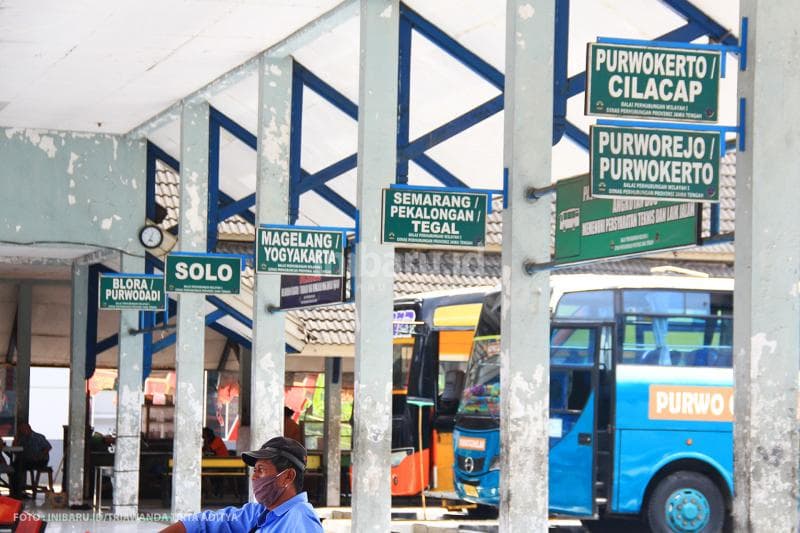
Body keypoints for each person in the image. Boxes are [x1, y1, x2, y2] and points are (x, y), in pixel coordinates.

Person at [159, 436, 322, 533]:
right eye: (254, 470)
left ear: (287, 476)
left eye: (261, 469)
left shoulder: (300, 521)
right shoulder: (260, 513)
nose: (254, 477)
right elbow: (205, 522)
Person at [11, 422, 51, 498]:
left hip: (40, 461)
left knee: (19, 465)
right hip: (28, 460)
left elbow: (48, 447)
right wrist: (16, 438)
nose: (23, 431)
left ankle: (18, 492)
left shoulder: (38, 437)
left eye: (24, 429)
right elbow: (15, 449)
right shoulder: (23, 439)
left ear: (29, 428)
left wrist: (39, 456)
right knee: (14, 466)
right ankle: (16, 491)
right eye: (21, 430)